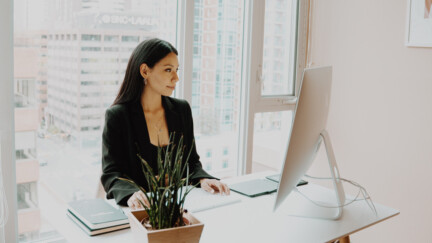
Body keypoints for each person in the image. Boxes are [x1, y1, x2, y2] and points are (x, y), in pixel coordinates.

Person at [101, 38, 230, 210]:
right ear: (145, 71)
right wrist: (131, 193)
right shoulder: (118, 116)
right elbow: (111, 173)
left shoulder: (181, 109)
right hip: (141, 210)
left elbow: (192, 162)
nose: (176, 78)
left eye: (176, 70)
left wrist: (203, 179)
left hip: (180, 206)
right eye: (168, 70)